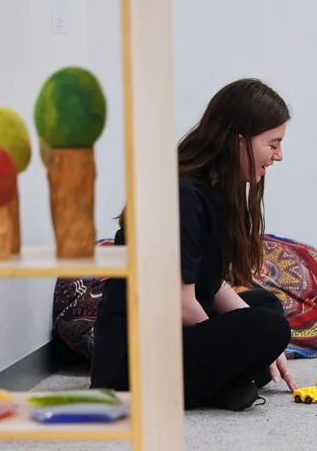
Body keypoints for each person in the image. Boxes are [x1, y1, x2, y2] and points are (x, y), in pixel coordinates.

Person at [90, 78, 297, 411]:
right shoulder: (182, 194)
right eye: (272, 144)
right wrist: (242, 346)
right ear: (238, 142)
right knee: (268, 327)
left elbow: (210, 284)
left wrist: (259, 345)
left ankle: (226, 384)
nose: (279, 155)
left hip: (175, 336)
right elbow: (182, 303)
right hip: (134, 364)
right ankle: (224, 384)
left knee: (266, 309)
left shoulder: (212, 189)